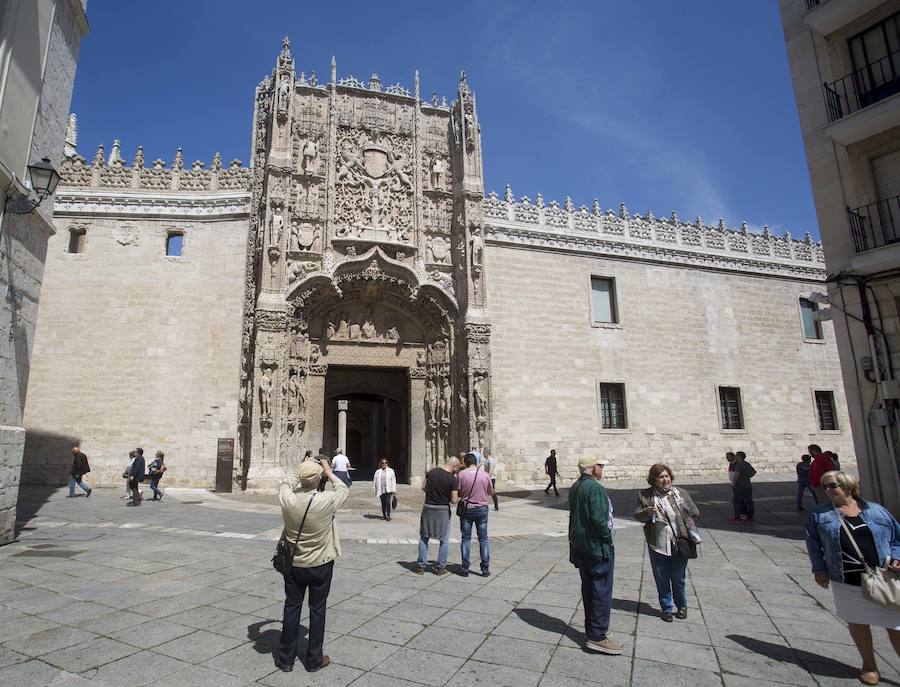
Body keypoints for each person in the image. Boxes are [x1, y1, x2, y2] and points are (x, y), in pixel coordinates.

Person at [804, 471, 900, 686]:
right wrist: (819, 570)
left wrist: (897, 557)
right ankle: (869, 666)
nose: (828, 490)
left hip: (883, 576)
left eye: (832, 485)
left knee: (895, 625)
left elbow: (897, 538)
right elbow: (813, 544)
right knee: (857, 622)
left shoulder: (877, 511)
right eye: (825, 486)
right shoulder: (820, 515)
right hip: (845, 577)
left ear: (848, 486)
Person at [274, 456, 350, 673]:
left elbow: (286, 483)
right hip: (320, 563)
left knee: (291, 607)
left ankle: (286, 658)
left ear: (301, 479)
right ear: (318, 479)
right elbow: (343, 488)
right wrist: (328, 471)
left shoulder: (288, 499)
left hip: (294, 563)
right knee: (317, 609)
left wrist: (300, 468)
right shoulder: (325, 501)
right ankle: (314, 658)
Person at [568, 455, 622, 655]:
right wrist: (608, 539)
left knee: (589, 589)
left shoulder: (576, 486)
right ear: (594, 469)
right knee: (601, 591)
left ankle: (591, 631)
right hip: (596, 547)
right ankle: (598, 636)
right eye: (600, 466)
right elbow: (600, 520)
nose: (602, 469)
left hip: (580, 546)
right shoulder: (595, 488)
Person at [634, 464, 700, 621]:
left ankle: (682, 606)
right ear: (654, 480)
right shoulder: (645, 495)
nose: (665, 480)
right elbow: (637, 515)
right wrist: (647, 512)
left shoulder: (680, 493)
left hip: (680, 541)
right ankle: (666, 608)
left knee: (678, 578)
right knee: (661, 577)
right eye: (661, 477)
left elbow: (695, 512)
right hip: (657, 543)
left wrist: (682, 508)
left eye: (667, 476)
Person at [415, 457, 460, 575]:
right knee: (444, 539)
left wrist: (432, 494)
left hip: (428, 507)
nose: (457, 471)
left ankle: (420, 565)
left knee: (424, 537)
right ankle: (441, 567)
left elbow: (423, 487)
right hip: (442, 510)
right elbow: (454, 500)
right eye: (458, 468)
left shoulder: (432, 472)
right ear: (454, 466)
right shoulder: (452, 479)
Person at [457, 452, 493, 577]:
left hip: (467, 509)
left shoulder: (461, 474)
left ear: (465, 463)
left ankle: (465, 568)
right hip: (482, 509)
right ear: (476, 462)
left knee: (466, 539)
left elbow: (459, 493)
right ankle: (485, 569)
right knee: (483, 540)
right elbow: (491, 492)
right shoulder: (485, 475)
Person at [729, 451, 756, 523]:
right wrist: (746, 476)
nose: (735, 457)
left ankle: (737, 517)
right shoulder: (747, 464)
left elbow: (737, 475)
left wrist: (734, 483)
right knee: (749, 501)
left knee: (736, 501)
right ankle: (750, 517)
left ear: (740, 457)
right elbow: (753, 472)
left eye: (736, 456)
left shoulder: (739, 465)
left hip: (740, 486)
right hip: (748, 485)